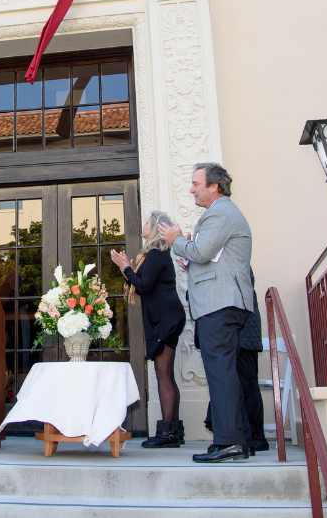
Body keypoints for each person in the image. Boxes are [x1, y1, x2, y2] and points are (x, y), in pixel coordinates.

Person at [158, 162, 254, 464]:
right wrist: (190, 254)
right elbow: (209, 256)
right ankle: (234, 441)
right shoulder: (222, 213)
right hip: (221, 305)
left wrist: (177, 241)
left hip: (220, 305)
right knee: (225, 374)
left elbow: (199, 252)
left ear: (215, 186)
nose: (191, 189)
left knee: (221, 375)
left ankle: (228, 443)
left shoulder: (220, 212)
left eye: (196, 184)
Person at [110, 210, 187, 448]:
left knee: (163, 374)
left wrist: (126, 268)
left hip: (166, 318)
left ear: (154, 228)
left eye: (146, 222)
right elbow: (143, 284)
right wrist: (130, 270)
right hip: (165, 317)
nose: (142, 224)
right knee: (166, 374)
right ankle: (172, 431)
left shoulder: (156, 253)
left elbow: (142, 285)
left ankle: (168, 434)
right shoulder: (153, 255)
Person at [203, 272, 268, 452]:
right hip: (238, 329)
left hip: (243, 329)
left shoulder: (236, 257)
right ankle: (245, 434)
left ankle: (255, 435)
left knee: (246, 384)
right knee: (236, 383)